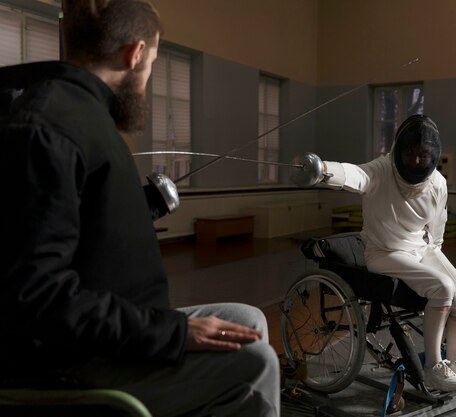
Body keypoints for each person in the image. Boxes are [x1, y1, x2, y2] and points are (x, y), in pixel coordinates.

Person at [0, 1, 280, 416]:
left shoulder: (81, 112)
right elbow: (36, 297)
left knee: (248, 320)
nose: (147, 76)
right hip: (74, 359)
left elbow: (78, 224)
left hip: (121, 330)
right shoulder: (47, 128)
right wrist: (172, 333)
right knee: (255, 363)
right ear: (134, 53)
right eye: (152, 62)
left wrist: (142, 206)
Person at [312, 115, 456, 392]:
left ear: (433, 155)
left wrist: (433, 255)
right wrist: (322, 169)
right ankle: (433, 368)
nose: (416, 161)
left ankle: (454, 361)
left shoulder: (438, 182)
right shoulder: (381, 170)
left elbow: (437, 228)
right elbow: (354, 174)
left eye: (423, 155)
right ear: (399, 151)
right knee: (442, 288)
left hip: (421, 248)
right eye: (410, 154)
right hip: (384, 252)